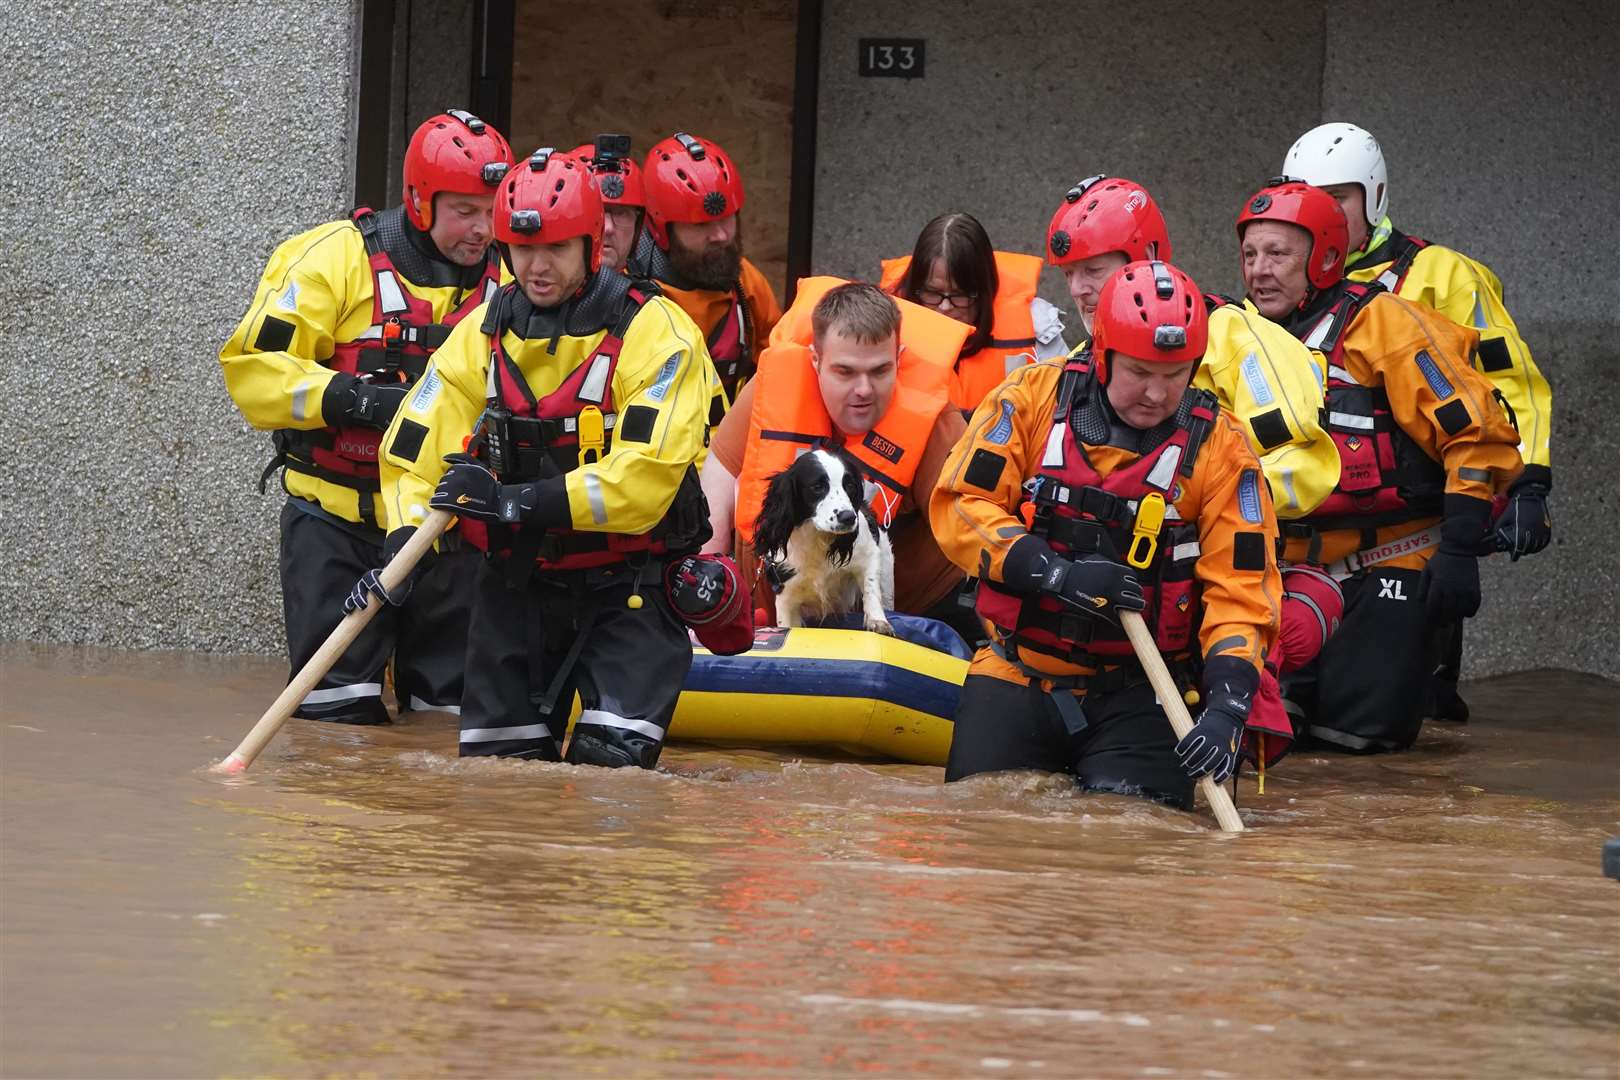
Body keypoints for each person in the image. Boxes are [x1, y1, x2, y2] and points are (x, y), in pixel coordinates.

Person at [362, 147, 714, 768]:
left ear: (591, 245)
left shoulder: (658, 333)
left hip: (627, 588)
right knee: (499, 784)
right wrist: (404, 531)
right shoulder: (484, 332)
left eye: (554, 248)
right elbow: (415, 441)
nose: (537, 267)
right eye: (522, 250)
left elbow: (645, 478)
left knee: (615, 782)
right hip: (516, 588)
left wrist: (515, 501)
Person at [932, 260, 1282, 808]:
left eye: (1175, 374)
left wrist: (1226, 709)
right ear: (1103, 354)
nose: (1156, 393)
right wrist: (1053, 572)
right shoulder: (1027, 399)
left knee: (1132, 846)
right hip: (1016, 672)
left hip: (1144, 692)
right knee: (982, 831)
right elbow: (961, 504)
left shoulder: (1223, 450)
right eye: (1140, 372)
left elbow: (1243, 590)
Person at [219, 109, 513, 725]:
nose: (483, 229)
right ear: (419, 200)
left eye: (494, 209)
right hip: (335, 527)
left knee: (447, 723)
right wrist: (360, 400)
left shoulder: (509, 284)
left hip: (445, 531)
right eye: (465, 210)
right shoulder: (332, 260)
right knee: (335, 728)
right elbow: (253, 370)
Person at [1046, 175, 1346, 766]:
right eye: (1069, 274)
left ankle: (1236, 717)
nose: (1079, 290)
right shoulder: (1077, 367)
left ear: (1147, 259)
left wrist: (1194, 506)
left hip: (1211, 571)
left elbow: (1308, 467)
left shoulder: (1235, 336)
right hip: (1104, 585)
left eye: (1095, 270)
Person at [1236, 179, 1522, 753]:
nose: (1259, 270)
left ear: (1325, 257)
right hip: (1284, 574)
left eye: (1278, 254)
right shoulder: (1237, 335)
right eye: (1249, 254)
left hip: (1390, 564)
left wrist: (1462, 548)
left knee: (1358, 751)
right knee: (1272, 749)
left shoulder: (1386, 324)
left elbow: (1478, 432)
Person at [1283, 122, 1555, 721]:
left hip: (1417, 532)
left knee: (1410, 719)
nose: (1321, 213)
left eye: (1339, 198)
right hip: (1308, 541)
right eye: (1305, 198)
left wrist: (1529, 480)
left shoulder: (1441, 275)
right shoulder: (1281, 287)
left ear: (1374, 195)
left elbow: (1507, 382)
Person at [700, 279, 973, 622]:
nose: (863, 389)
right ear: (816, 360)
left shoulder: (937, 425)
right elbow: (718, 480)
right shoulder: (771, 390)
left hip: (895, 616)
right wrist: (709, 590)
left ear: (898, 360)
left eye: (880, 371)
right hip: (773, 610)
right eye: (845, 372)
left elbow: (977, 526)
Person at [629, 132, 782, 406]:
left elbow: (781, 367)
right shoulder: (625, 291)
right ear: (661, 229)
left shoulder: (746, 282)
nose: (721, 235)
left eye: (727, 219)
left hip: (728, 442)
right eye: (701, 226)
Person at [880, 212, 1068, 412]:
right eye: (932, 293)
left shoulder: (1038, 331)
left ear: (985, 291)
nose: (945, 307)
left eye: (959, 295)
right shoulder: (879, 326)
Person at [571, 134, 645, 272]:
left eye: (621, 213)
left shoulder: (655, 293)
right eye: (595, 211)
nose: (608, 228)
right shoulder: (523, 291)